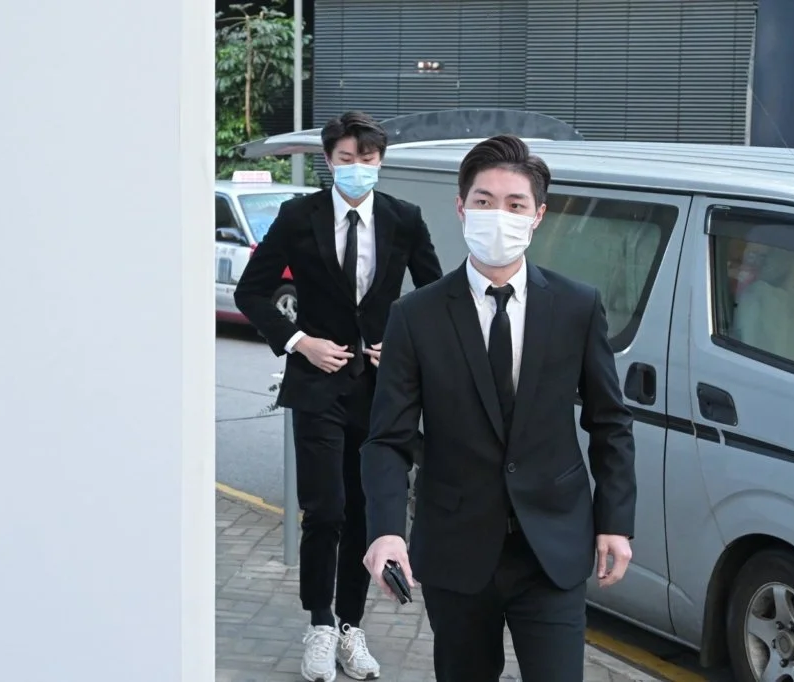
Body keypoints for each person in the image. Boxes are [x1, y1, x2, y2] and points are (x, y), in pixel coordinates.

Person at [360, 134, 637, 682]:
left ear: (538, 216)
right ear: (461, 208)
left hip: (552, 546)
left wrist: (615, 521)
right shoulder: (416, 315)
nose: (499, 216)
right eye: (484, 201)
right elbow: (388, 438)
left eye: (515, 204)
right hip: (456, 548)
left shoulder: (577, 306)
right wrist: (386, 531)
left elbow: (609, 421)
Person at [234, 110, 443, 682]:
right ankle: (320, 624)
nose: (357, 168)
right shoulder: (297, 216)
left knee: (365, 513)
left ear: (381, 162)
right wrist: (300, 342)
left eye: (367, 159)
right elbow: (252, 292)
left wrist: (401, 345)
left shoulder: (403, 218)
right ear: (329, 161)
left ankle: (352, 627)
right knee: (325, 510)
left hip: (380, 392)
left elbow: (437, 294)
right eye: (346, 159)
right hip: (317, 386)